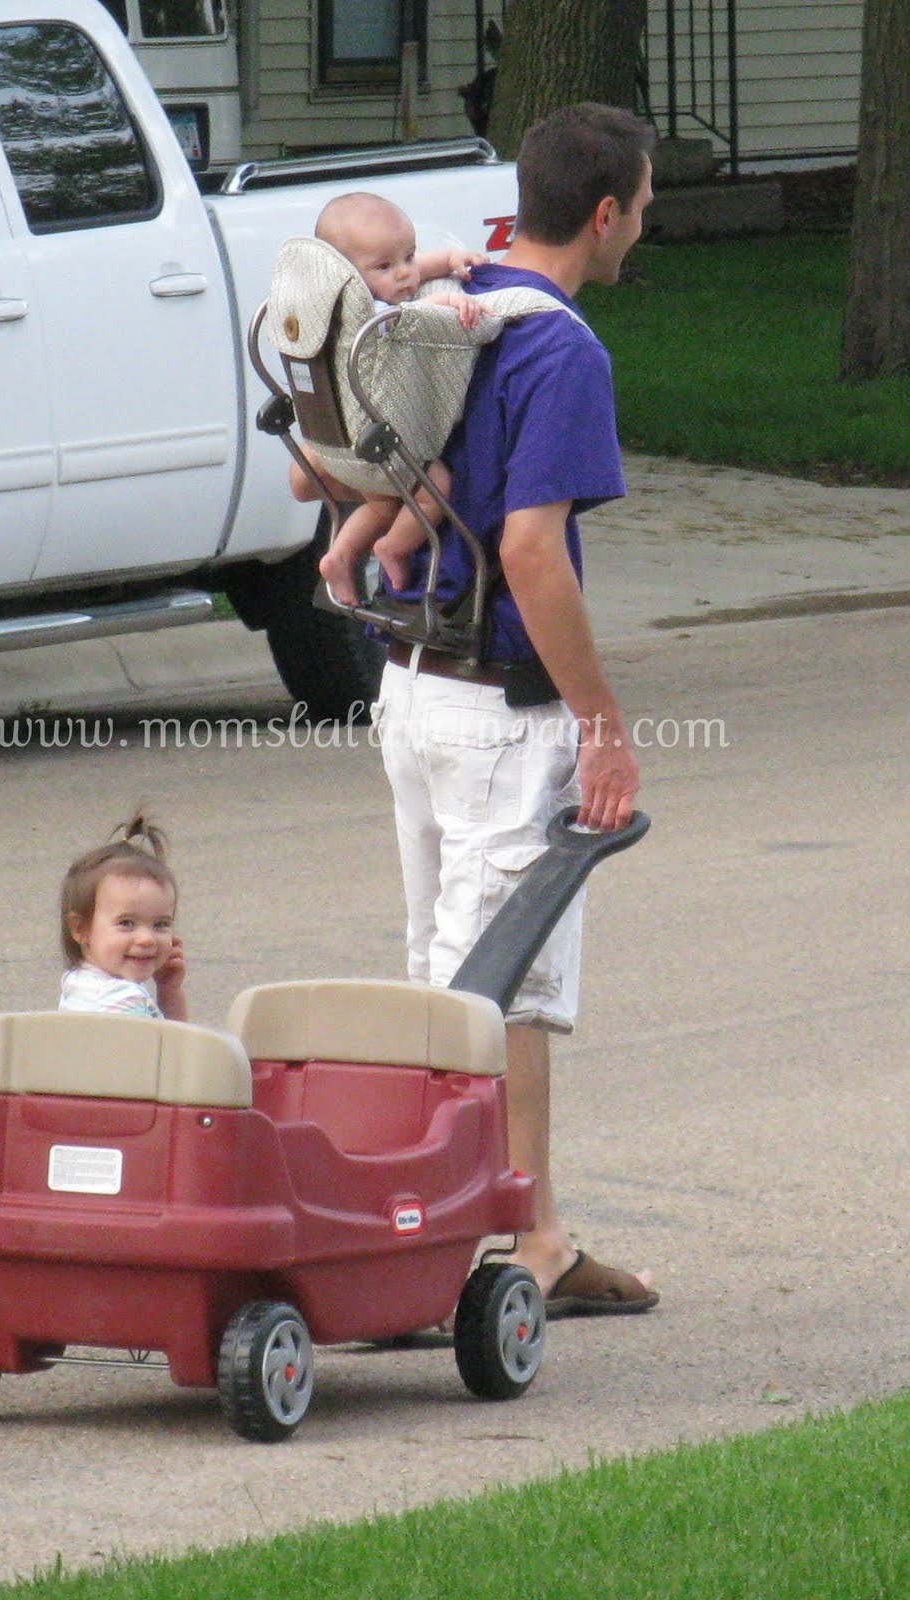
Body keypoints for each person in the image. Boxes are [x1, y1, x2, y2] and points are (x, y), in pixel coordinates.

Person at [373, 104, 659, 1318]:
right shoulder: (562, 351)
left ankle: (480, 1222)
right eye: (642, 207)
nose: (642, 227)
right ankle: (510, 1243)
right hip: (500, 709)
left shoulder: (452, 305)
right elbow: (534, 552)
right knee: (507, 988)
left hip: (409, 687)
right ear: (604, 215)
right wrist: (601, 718)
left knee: (443, 974)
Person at [287, 191, 487, 606]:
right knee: (436, 485)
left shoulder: (324, 305)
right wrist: (449, 299)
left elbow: (410, 273)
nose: (404, 275)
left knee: (380, 506)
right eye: (384, 266)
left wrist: (447, 258)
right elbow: (409, 318)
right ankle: (394, 547)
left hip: (335, 439)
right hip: (376, 445)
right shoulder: (367, 313)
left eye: (409, 256)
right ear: (346, 275)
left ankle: (339, 558)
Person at [58, 813, 187, 1021]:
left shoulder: (77, 982)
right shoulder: (126, 1003)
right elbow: (179, 1049)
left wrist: (168, 990)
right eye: (127, 923)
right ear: (81, 929)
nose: (147, 939)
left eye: (161, 924)